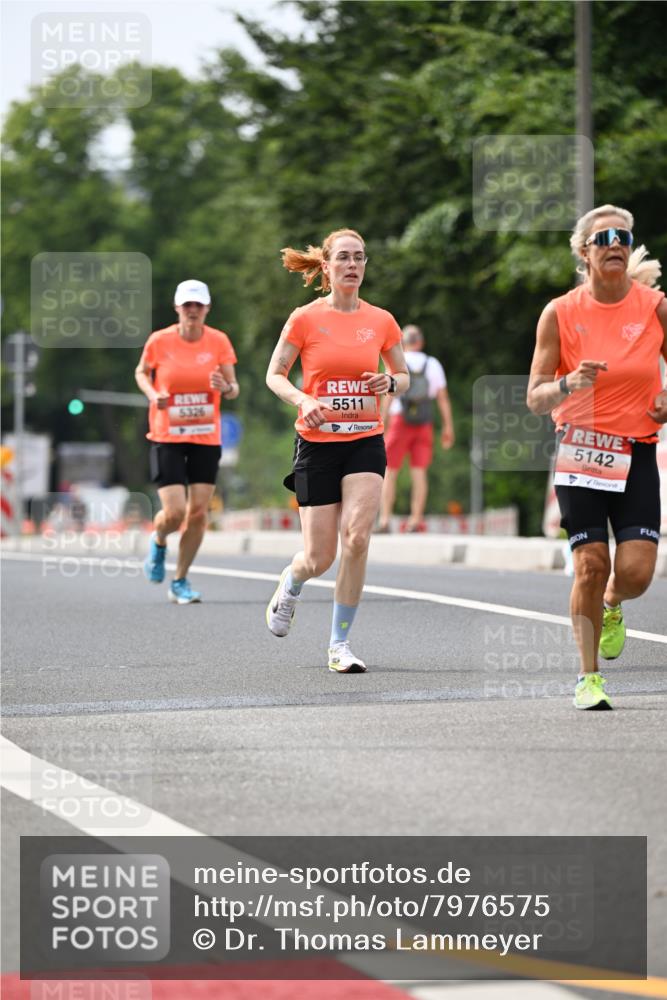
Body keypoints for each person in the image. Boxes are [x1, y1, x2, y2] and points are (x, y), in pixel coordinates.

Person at [527, 205, 667, 710]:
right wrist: (568, 383)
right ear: (584, 251)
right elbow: (536, 396)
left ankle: (612, 603)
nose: (615, 244)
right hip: (581, 450)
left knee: (635, 573)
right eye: (604, 237)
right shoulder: (560, 312)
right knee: (590, 564)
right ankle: (588, 679)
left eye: (624, 238)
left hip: (638, 452)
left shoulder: (655, 307)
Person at [265, 228, 409, 672]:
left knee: (358, 537)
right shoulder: (305, 318)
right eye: (343, 257)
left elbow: (403, 375)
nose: (352, 264)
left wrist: (390, 383)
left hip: (365, 439)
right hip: (317, 444)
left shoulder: (382, 321)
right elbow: (275, 374)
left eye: (360, 257)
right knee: (319, 557)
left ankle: (339, 645)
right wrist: (304, 400)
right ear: (325, 267)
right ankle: (292, 581)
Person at [135, 279, 239, 603]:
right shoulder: (159, 341)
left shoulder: (218, 341)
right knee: (175, 512)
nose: (192, 311)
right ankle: (159, 538)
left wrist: (224, 385)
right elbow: (141, 372)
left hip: (206, 436)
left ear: (207, 308)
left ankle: (179, 580)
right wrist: (154, 395)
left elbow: (234, 388)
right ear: (177, 308)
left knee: (197, 513)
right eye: (187, 305)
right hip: (168, 434)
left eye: (198, 305)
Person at [377, 324, 455, 532]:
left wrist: (381, 424)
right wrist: (448, 427)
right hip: (424, 422)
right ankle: (415, 520)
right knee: (419, 472)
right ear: (421, 342)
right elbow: (443, 398)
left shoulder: (397, 362)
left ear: (403, 342)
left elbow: (388, 397)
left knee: (390, 471)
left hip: (399, 421)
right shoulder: (433, 364)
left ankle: (385, 519)